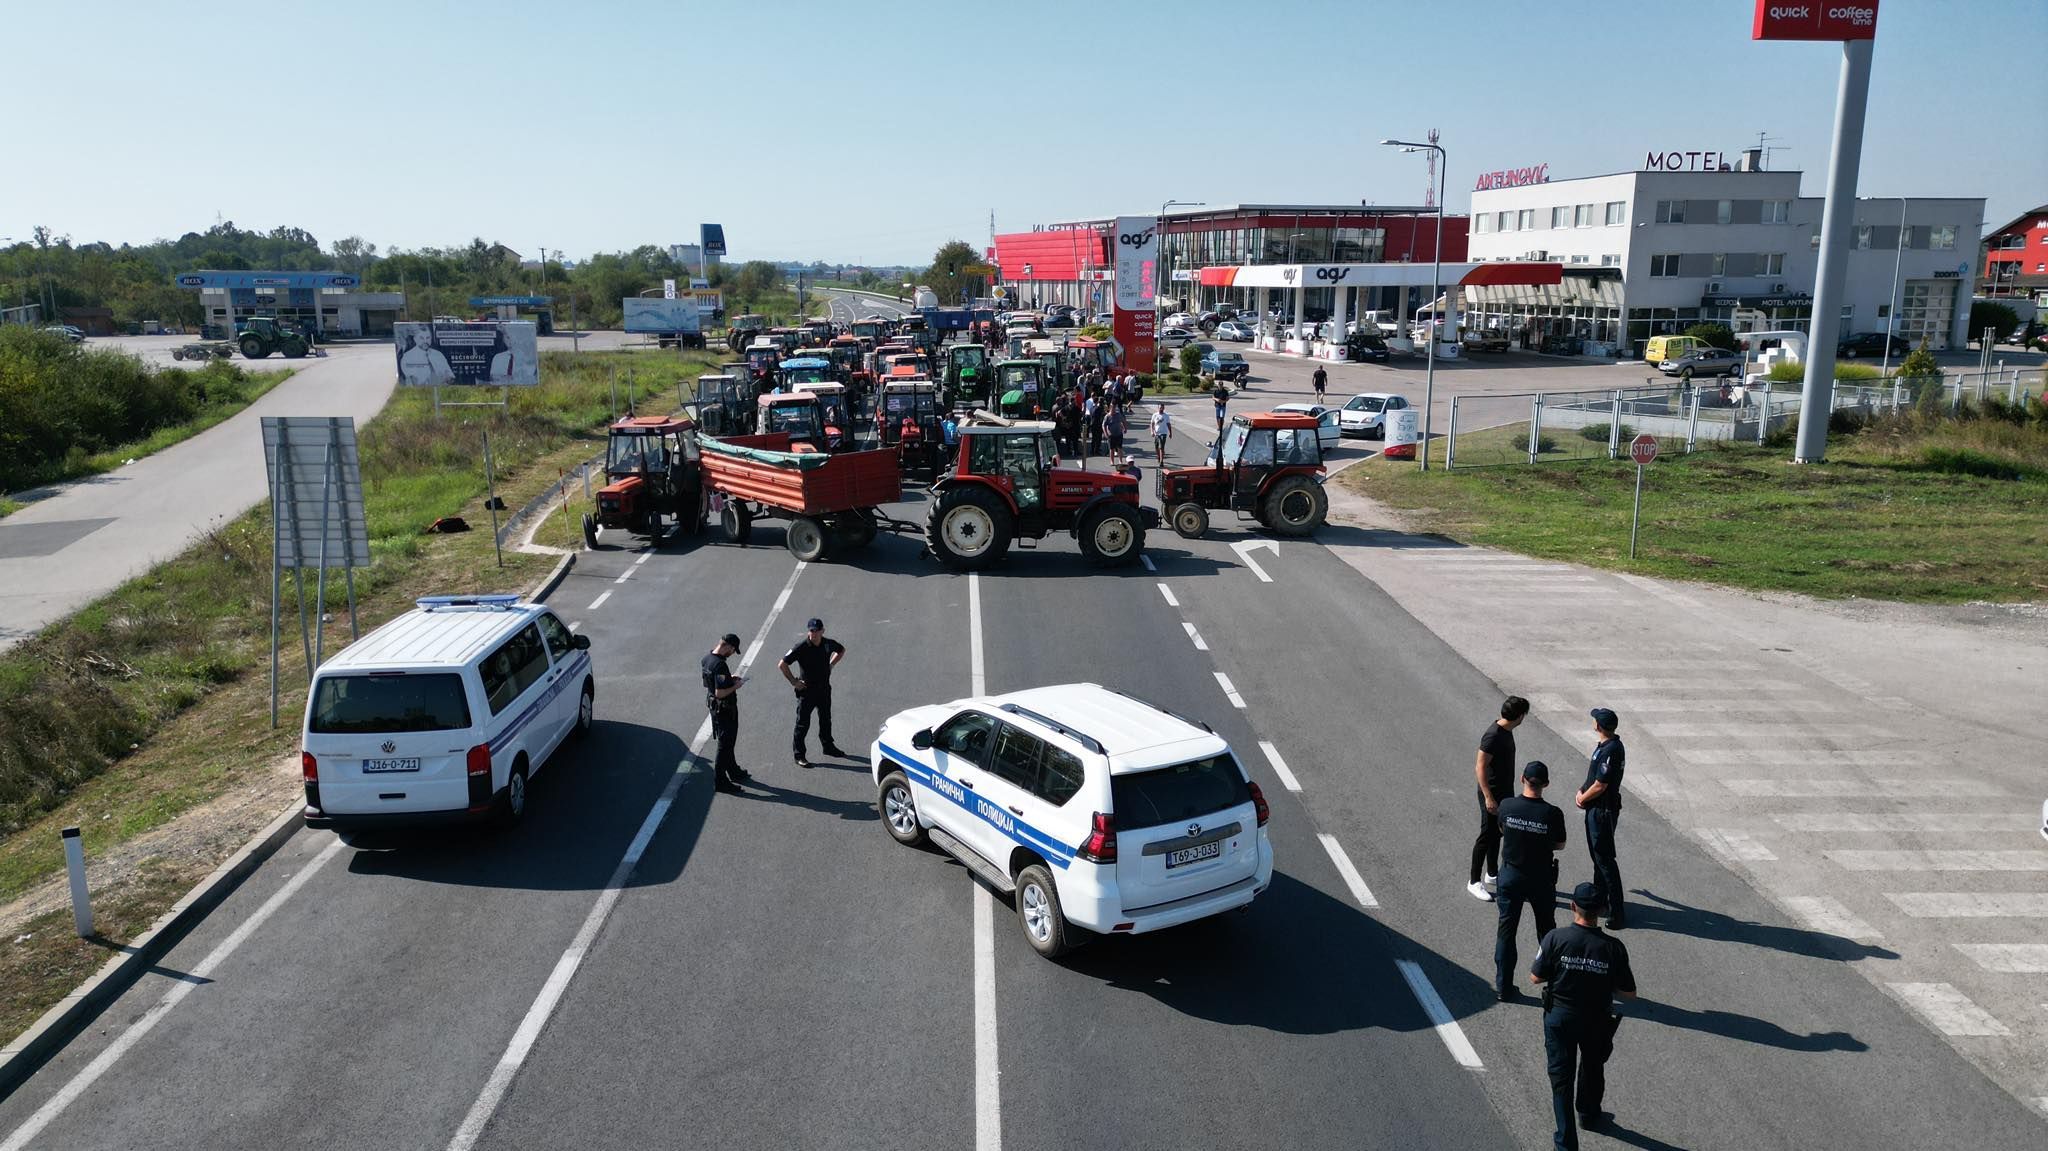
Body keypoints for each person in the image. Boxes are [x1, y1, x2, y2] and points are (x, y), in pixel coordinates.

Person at [1530, 883, 1637, 1148]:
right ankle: (1588, 1113)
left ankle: (1566, 1143)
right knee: (1592, 1067)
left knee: (1561, 1080)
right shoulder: (1614, 947)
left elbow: (1535, 977)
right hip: (1596, 1020)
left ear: (1572, 906)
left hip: (1560, 1018)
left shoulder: (1555, 938)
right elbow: (1629, 994)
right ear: (1601, 911)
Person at [1495, 760, 1567, 1000]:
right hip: (1540, 878)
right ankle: (1555, 986)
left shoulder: (1507, 805)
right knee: (1547, 932)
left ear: (1521, 779)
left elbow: (1503, 829)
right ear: (1546, 784)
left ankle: (1503, 987)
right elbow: (1560, 844)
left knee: (1507, 932)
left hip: (1511, 875)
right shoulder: (1552, 814)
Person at [1470, 695, 1530, 900]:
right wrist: (1488, 796)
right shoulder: (1493, 735)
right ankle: (1474, 881)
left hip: (1504, 792)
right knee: (1486, 835)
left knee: (1497, 833)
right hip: (1492, 792)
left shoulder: (1505, 730)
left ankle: (1492, 873)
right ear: (1520, 716)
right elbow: (1480, 767)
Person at [1577, 707, 1627, 928]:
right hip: (1596, 808)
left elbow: (1601, 784)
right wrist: (1582, 790)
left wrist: (1583, 798)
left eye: (1596, 720)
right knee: (1598, 859)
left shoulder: (1611, 750)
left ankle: (1617, 911)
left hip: (1602, 811)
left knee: (1605, 861)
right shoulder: (1605, 746)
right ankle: (1600, 900)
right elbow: (1593, 777)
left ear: (1600, 726)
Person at [778, 617, 847, 768]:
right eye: (811, 631)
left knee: (825, 719)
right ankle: (799, 755)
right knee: (802, 724)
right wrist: (794, 682)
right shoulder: (801, 647)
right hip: (807, 691)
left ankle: (828, 746)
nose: (813, 634)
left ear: (822, 631)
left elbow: (841, 650)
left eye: (816, 631)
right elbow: (782, 664)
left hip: (823, 689)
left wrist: (831, 665)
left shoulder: (828, 643)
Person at [700, 633, 750, 794]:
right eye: (733, 650)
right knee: (725, 744)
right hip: (724, 708)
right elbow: (720, 693)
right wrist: (737, 685)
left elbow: (708, 684)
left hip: (715, 707)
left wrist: (729, 678)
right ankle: (720, 781)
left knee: (727, 742)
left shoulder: (707, 659)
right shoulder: (720, 665)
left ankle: (733, 770)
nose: (733, 653)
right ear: (727, 646)